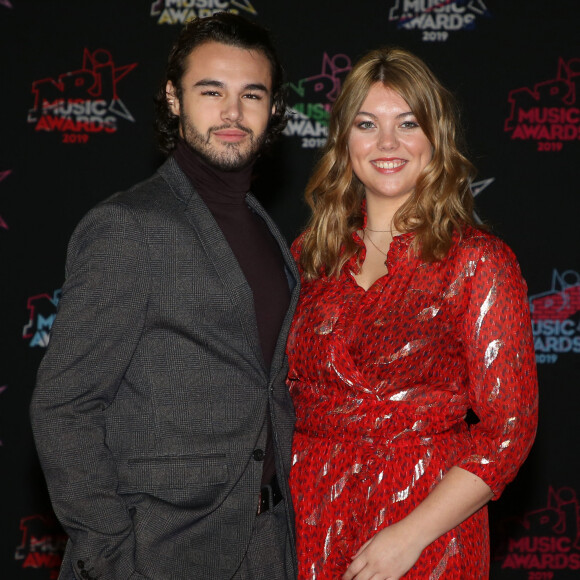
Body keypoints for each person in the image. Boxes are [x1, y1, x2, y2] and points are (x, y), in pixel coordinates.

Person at [30, 12, 299, 580]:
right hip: (160, 554)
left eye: (252, 94)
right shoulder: (128, 226)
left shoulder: (268, 231)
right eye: (211, 91)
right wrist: (112, 556)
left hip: (269, 547)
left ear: (274, 110)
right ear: (174, 99)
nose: (232, 112)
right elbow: (64, 407)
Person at [286, 47, 538, 579]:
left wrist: (410, 536)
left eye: (407, 123)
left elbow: (507, 433)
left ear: (435, 139)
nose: (387, 144)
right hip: (307, 517)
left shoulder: (477, 263)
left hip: (426, 530)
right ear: (343, 142)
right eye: (366, 124)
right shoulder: (307, 255)